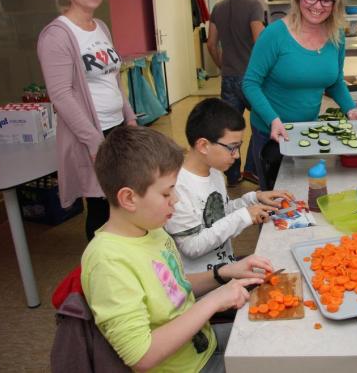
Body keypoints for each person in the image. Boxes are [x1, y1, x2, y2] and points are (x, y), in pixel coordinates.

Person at [81, 125, 273, 372]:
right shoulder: (107, 261)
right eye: (166, 193)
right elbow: (141, 356)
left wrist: (226, 272)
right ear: (129, 198)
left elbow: (174, 286)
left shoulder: (152, 229)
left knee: (280, 339)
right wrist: (212, 302)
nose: (177, 200)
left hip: (203, 345)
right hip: (187, 368)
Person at [242, 0, 357, 189]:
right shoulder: (274, 35)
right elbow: (250, 83)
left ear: (334, 3)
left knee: (305, 191)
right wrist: (273, 119)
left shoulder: (336, 35)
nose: (317, 6)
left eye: (325, 0)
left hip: (307, 131)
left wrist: (351, 109)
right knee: (276, 199)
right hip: (271, 132)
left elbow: (335, 81)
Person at [37, 0, 137, 242]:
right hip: (92, 134)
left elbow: (114, 78)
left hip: (117, 127)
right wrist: (95, 142)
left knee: (123, 201)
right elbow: (61, 95)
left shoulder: (100, 27)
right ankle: (100, 271)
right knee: (101, 206)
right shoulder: (57, 35)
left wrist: (129, 118)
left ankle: (127, 259)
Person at [165, 98, 292, 274]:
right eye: (232, 148)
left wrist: (253, 199)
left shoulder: (215, 171)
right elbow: (191, 247)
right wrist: (243, 216)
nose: (237, 156)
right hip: (203, 285)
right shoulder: (176, 188)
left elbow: (222, 214)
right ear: (203, 145)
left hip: (227, 267)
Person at [206, 0, 265, 187]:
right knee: (261, 124)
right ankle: (251, 169)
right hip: (251, 80)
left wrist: (223, 64)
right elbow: (260, 42)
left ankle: (232, 176)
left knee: (230, 130)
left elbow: (211, 44)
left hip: (228, 78)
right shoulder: (253, 6)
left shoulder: (218, 8)